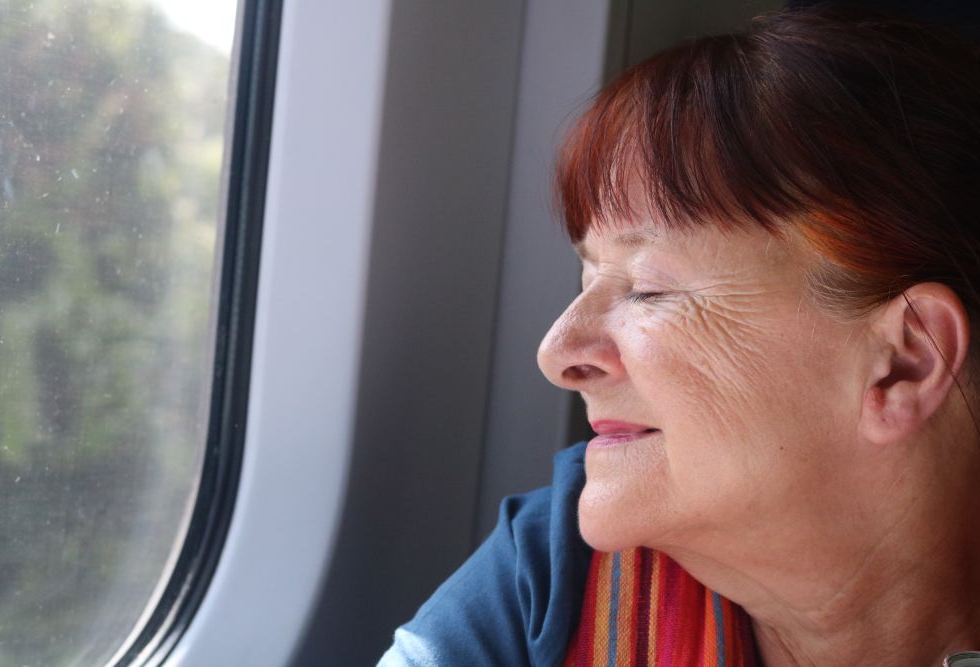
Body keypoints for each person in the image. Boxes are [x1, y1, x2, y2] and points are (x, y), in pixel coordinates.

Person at [380, 5, 980, 665]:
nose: (557, 353)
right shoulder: (551, 579)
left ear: (906, 362)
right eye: (587, 281)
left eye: (649, 288)